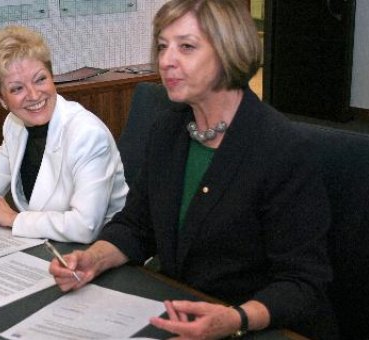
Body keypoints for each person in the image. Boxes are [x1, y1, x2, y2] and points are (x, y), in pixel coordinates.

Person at [50, 0, 338, 339]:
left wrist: (234, 319)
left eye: (186, 47)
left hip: (259, 325)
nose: (166, 61)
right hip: (181, 311)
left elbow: (303, 285)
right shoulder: (168, 131)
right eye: (162, 46)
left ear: (228, 52)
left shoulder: (281, 149)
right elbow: (137, 226)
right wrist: (94, 258)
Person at [0, 25, 128, 244]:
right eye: (17, 89)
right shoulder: (15, 123)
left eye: (40, 80)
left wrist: (15, 219)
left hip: (98, 253)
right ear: (0, 98)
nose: (34, 95)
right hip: (48, 246)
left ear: (52, 76)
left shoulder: (87, 134)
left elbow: (85, 227)